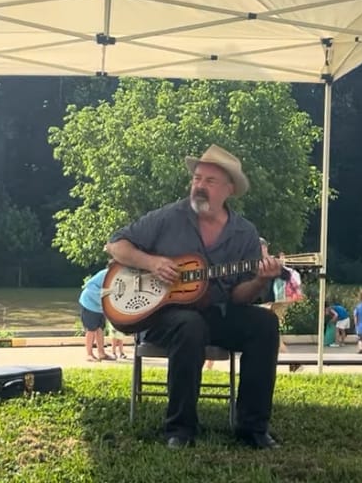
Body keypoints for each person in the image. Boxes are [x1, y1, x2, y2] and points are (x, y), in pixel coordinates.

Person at [105, 144, 284, 450]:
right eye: (197, 178)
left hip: (216, 313)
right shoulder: (169, 217)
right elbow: (116, 244)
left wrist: (259, 280)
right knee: (190, 325)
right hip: (162, 316)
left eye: (210, 181)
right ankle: (180, 429)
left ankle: (252, 428)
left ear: (229, 189)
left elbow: (239, 297)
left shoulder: (244, 233)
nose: (199, 186)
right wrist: (152, 263)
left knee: (265, 323)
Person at [78, 267, 115, 362]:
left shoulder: (121, 276)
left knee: (100, 329)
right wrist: (106, 293)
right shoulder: (105, 273)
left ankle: (101, 353)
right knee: (91, 329)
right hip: (89, 303)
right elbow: (89, 285)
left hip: (101, 307)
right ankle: (89, 354)